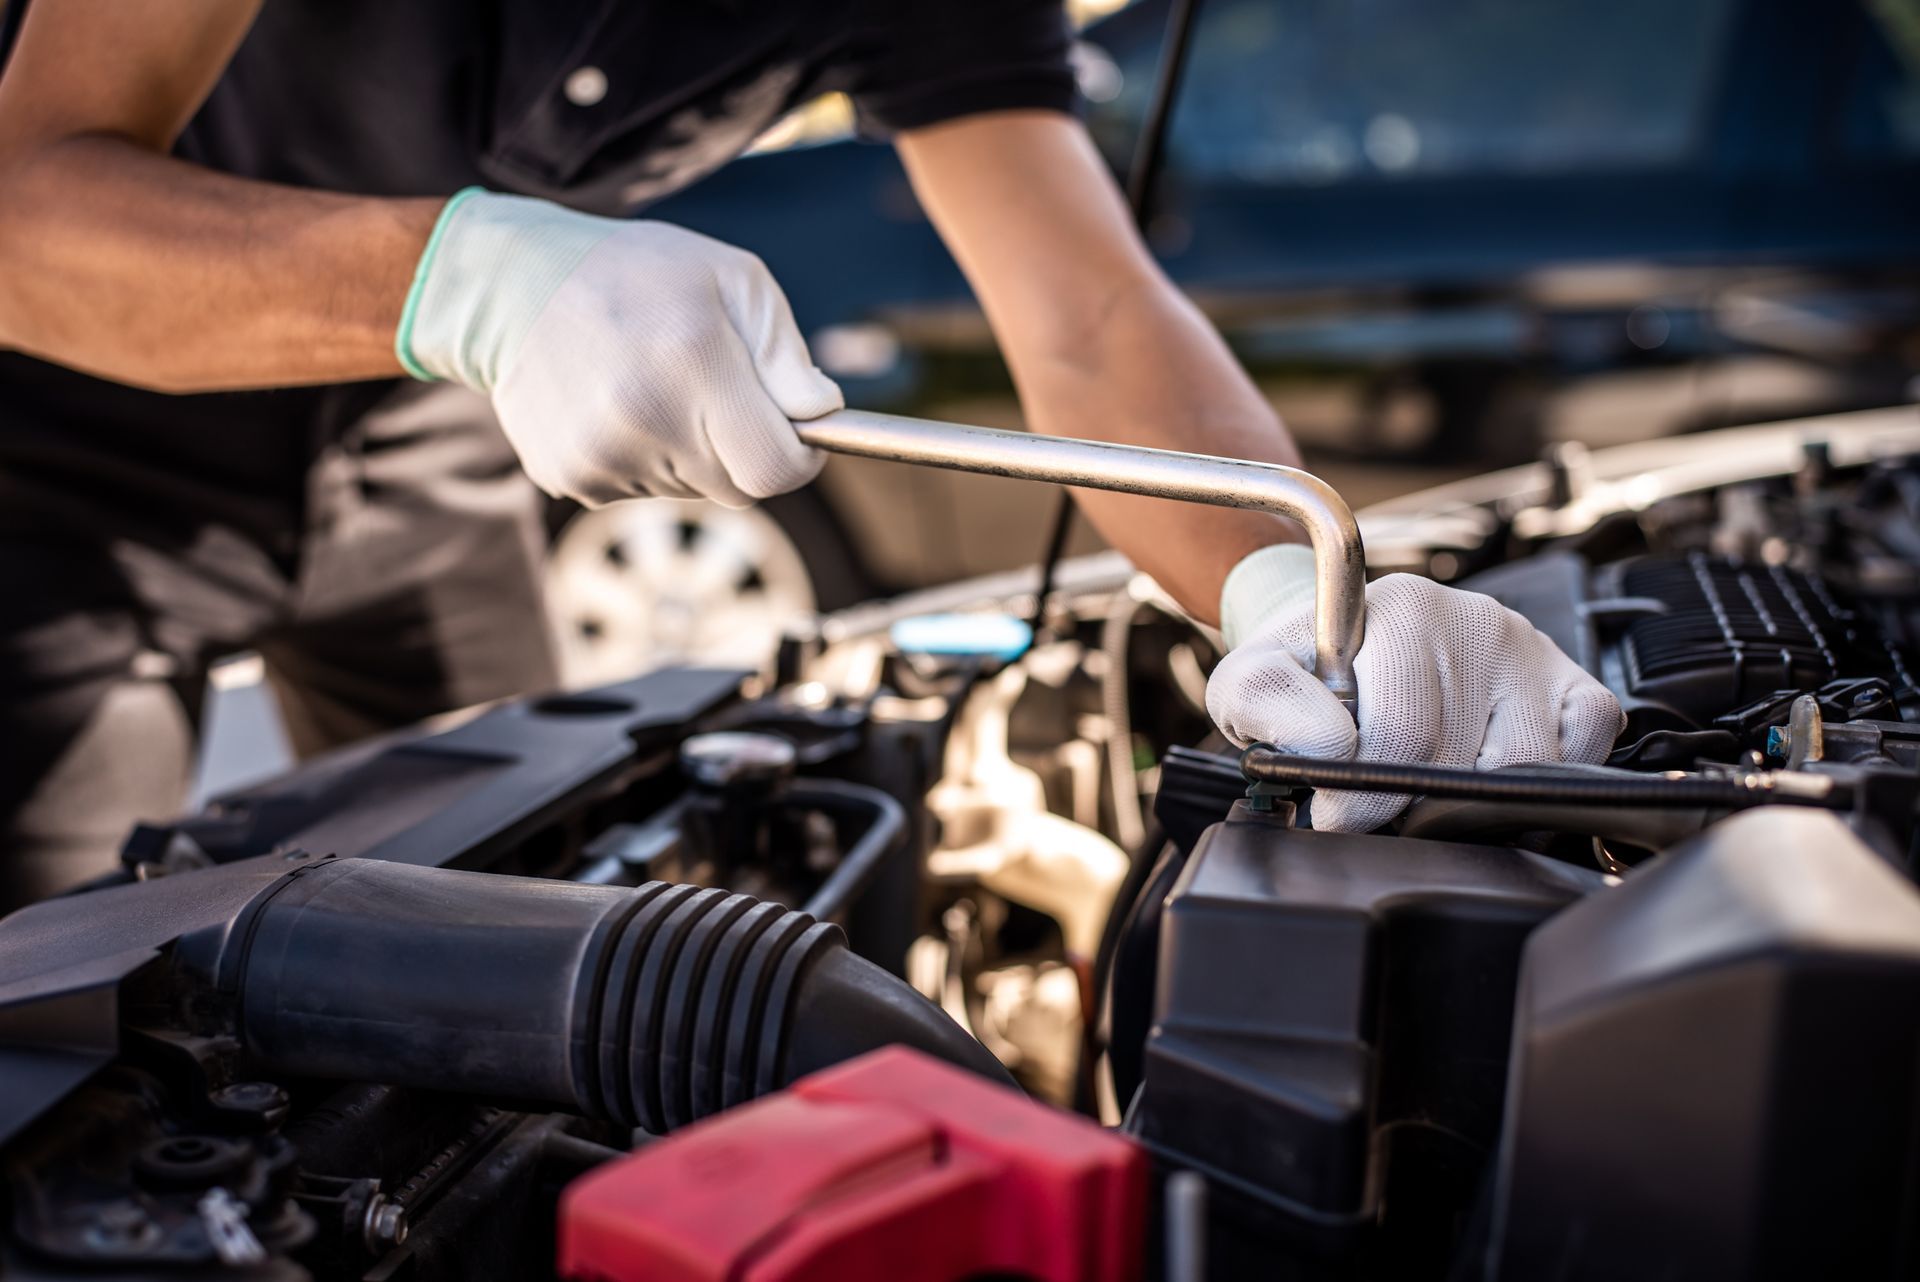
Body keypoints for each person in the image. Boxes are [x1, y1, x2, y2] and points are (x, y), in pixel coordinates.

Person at [0, 0, 1621, 912]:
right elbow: (24, 200)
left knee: (485, 946)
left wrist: (1286, 586)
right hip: (56, 467)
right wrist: (473, 278)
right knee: (61, 1033)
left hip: (429, 465)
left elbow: (1091, 311)